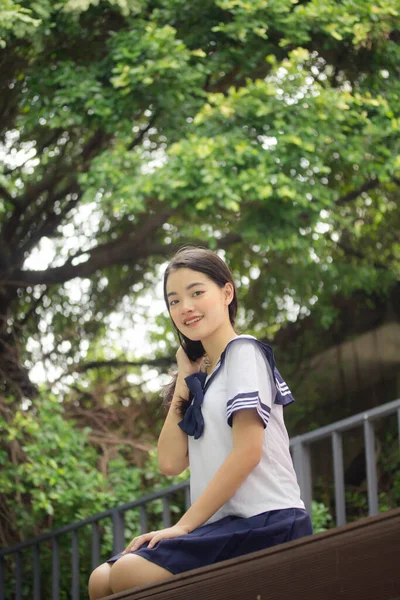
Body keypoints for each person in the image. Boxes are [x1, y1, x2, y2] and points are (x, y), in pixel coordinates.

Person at [88, 246, 313, 599]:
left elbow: (248, 452)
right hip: (224, 529)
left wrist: (183, 527)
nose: (185, 308)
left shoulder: (245, 352)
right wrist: (184, 379)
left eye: (196, 292)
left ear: (227, 292)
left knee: (131, 572)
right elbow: (169, 463)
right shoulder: (204, 379)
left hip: (267, 521)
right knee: (101, 581)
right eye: (174, 301)